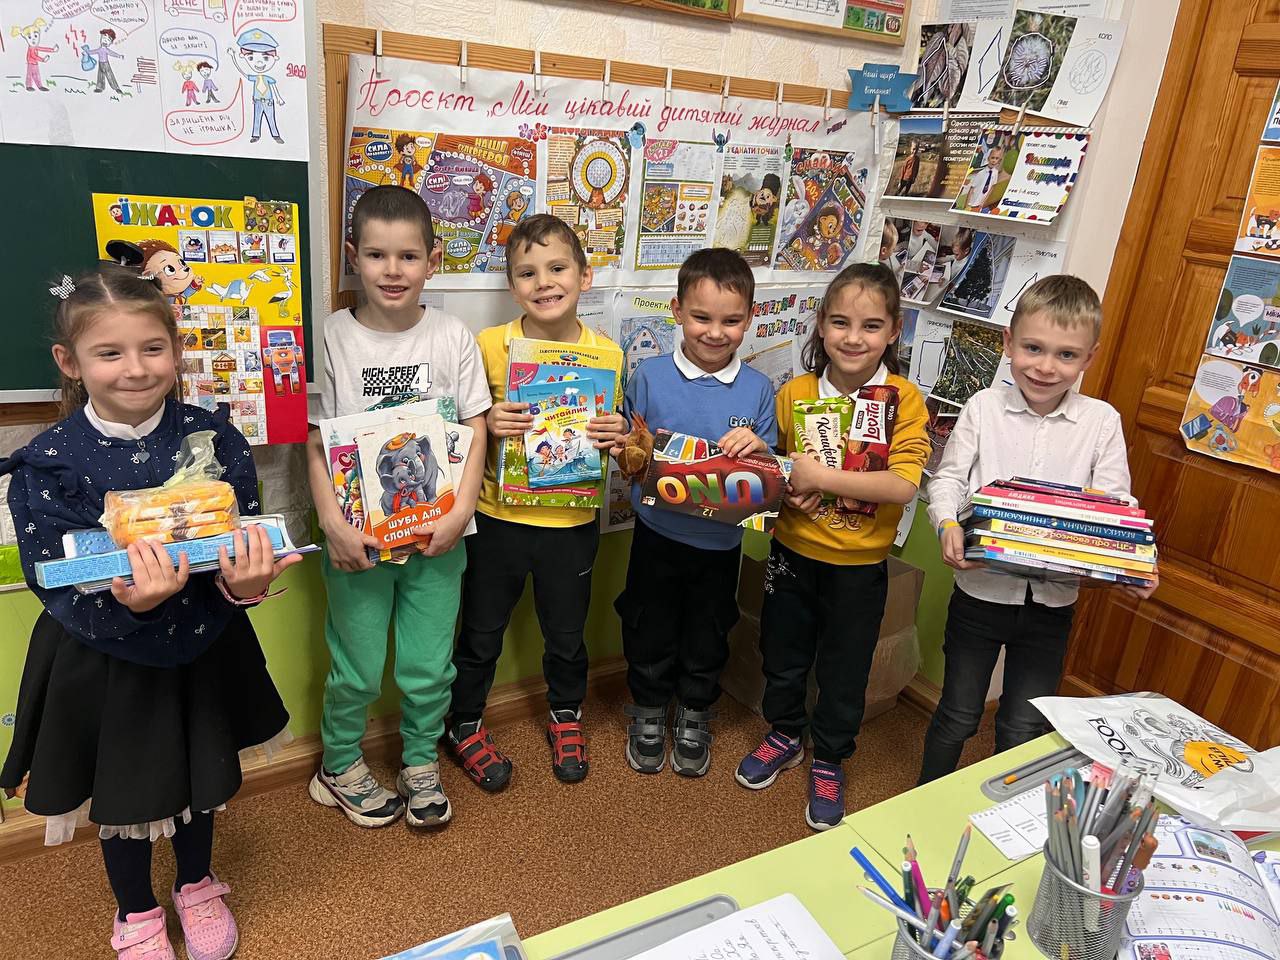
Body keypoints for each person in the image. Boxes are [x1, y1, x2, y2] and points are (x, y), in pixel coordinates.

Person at [0, 267, 297, 959]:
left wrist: (247, 586)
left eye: (152, 348)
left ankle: (196, 882)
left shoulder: (214, 438)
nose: (135, 369)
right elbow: (54, 579)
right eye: (109, 353)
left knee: (201, 768)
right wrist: (131, 607)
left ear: (176, 349)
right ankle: (136, 910)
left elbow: (238, 545)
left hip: (202, 643)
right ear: (70, 362)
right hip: (103, 654)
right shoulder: (48, 464)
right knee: (124, 787)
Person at [919, 276, 1159, 784]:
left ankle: (1007, 815)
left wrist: (1135, 561)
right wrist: (946, 523)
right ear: (1009, 343)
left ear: (1089, 357)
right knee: (958, 714)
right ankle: (919, 800)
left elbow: (1116, 507)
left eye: (1066, 355)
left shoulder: (1101, 421)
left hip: (1052, 606)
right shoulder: (983, 407)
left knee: (1023, 726)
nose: (1046, 367)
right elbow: (949, 479)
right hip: (980, 596)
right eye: (1033, 348)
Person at [306, 185, 490, 829]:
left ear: (432, 261)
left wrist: (460, 512)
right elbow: (314, 440)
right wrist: (332, 524)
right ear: (352, 255)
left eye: (408, 256)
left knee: (427, 666)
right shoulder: (330, 337)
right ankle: (338, 764)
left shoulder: (452, 335)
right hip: (357, 539)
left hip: (439, 537)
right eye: (377, 255)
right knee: (356, 668)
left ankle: (419, 760)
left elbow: (476, 429)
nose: (392, 270)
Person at [734, 262, 929, 831]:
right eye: (840, 322)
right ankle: (785, 733)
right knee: (782, 651)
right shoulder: (795, 393)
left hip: (859, 566)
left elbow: (902, 484)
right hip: (793, 554)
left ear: (894, 331)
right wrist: (779, 477)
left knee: (845, 668)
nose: (853, 337)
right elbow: (780, 471)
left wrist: (820, 477)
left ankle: (830, 758)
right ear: (821, 325)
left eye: (871, 326)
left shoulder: (902, 400)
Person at [450, 214, 627, 789]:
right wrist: (487, 421)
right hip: (496, 519)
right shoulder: (489, 345)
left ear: (584, 276)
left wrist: (617, 432)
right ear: (512, 285)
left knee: (567, 634)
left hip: (571, 524)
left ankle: (566, 713)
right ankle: (464, 720)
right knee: (480, 631)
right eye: (528, 273)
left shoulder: (607, 354)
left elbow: (616, 435)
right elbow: (458, 426)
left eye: (557, 268)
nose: (544, 282)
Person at [617, 248, 776, 778]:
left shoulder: (757, 390)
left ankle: (694, 709)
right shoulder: (649, 377)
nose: (715, 332)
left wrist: (758, 447)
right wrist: (627, 450)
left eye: (731, 320)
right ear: (677, 311)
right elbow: (628, 450)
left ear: (749, 319)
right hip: (656, 535)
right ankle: (648, 707)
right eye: (702, 317)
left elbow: (771, 473)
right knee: (647, 624)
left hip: (720, 546)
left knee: (709, 630)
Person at [957, 141, 1010, 212]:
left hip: (981, 204)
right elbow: (972, 189)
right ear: (988, 158)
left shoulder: (995, 173)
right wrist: (966, 205)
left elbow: (991, 187)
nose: (994, 161)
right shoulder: (981, 173)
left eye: (996, 158)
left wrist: (983, 202)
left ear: (999, 160)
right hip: (972, 203)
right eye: (992, 158)